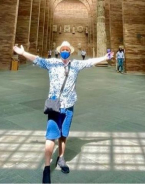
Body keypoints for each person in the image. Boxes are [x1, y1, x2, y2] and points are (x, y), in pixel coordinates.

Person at [13, 41, 113, 184]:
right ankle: (47, 168)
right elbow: (37, 59)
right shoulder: (52, 63)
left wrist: (105, 57)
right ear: (59, 51)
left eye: (67, 49)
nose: (65, 51)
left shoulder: (76, 65)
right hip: (55, 105)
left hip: (69, 105)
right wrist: (23, 53)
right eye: (63, 49)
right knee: (51, 136)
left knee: (63, 135)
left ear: (70, 52)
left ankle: (61, 158)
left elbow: (90, 62)